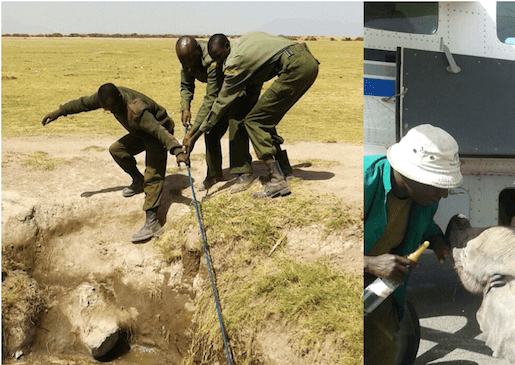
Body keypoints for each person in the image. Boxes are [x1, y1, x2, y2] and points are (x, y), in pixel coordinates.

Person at [364, 124, 461, 365]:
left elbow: (418, 223)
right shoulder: (364, 182)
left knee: (379, 349)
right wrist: (369, 262)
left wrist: (434, 238)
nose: (444, 195)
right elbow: (318, 245)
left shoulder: (422, 198)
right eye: (439, 186)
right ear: (410, 175)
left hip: (378, 289)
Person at [41, 83, 189, 243]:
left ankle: (153, 222)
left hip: (156, 135)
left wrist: (177, 150)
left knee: (153, 176)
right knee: (117, 150)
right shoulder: (105, 97)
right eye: (105, 108)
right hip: (140, 133)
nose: (109, 111)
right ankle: (138, 181)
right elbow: (83, 104)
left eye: (112, 108)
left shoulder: (136, 110)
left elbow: (158, 131)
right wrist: (58, 112)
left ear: (119, 99)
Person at [185, 32, 319, 199]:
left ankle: (277, 181)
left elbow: (220, 103)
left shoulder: (235, 61)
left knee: (255, 122)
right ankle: (284, 169)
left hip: (296, 67)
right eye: (216, 59)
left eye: (220, 57)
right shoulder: (242, 42)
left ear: (227, 47)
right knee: (265, 118)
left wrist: (195, 134)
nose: (220, 63)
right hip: (305, 60)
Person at [176, 35, 250, 192]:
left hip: (237, 90)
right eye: (184, 63)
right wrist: (185, 107)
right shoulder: (187, 60)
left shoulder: (211, 61)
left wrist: (194, 131)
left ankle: (243, 172)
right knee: (211, 132)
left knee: (235, 125)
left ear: (197, 52)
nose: (188, 65)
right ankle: (214, 174)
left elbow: (211, 99)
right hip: (221, 94)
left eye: (190, 60)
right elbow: (186, 85)